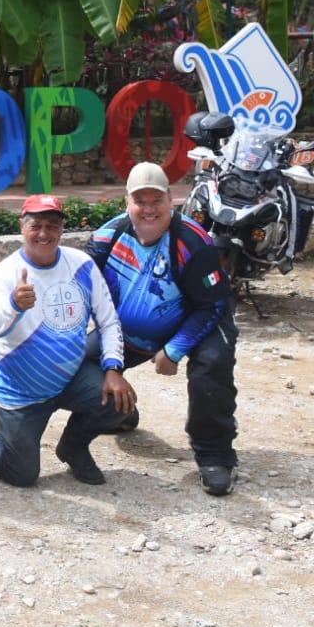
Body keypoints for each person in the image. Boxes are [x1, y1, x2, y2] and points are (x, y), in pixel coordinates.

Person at [89, 162, 239, 497]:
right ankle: (118, 413)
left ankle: (215, 455)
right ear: (126, 203)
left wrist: (174, 350)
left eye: (156, 200)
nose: (148, 209)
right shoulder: (105, 238)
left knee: (211, 365)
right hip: (127, 332)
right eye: (139, 201)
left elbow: (211, 305)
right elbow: (80, 290)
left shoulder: (194, 242)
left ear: (171, 200)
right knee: (74, 362)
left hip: (197, 320)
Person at [0, 193, 135, 488]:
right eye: (36, 225)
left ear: (62, 229)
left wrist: (113, 370)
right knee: (21, 474)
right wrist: (14, 305)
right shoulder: (7, 273)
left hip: (69, 378)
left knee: (121, 404)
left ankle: (73, 447)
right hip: (21, 391)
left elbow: (108, 321)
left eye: (52, 225)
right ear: (22, 226)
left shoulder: (81, 264)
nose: (44, 233)